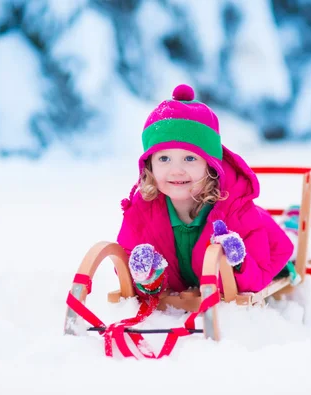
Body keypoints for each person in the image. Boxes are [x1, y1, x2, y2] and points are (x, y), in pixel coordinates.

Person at [117, 83, 294, 297]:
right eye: (164, 158)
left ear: (210, 165)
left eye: (189, 158)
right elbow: (128, 266)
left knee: (290, 241)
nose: (176, 171)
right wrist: (147, 277)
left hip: (269, 239)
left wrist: (239, 263)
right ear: (149, 166)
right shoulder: (141, 213)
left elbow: (257, 279)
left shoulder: (237, 213)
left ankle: (293, 224)